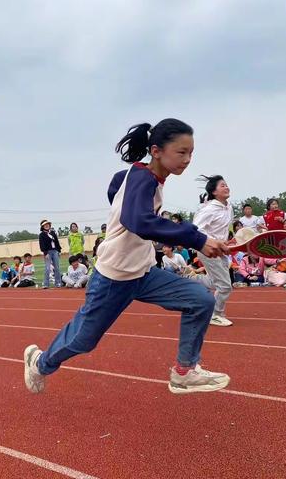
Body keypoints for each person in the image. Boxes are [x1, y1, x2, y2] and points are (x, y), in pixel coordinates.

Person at [24, 118, 230, 396]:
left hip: (143, 273)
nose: (188, 159)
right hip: (114, 277)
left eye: (191, 153)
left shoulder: (144, 178)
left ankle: (185, 371)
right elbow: (139, 221)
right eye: (181, 152)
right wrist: (198, 239)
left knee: (201, 300)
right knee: (84, 340)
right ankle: (41, 362)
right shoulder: (143, 178)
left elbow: (115, 187)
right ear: (156, 151)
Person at [193, 175, 234, 327]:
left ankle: (190, 279)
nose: (227, 187)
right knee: (225, 286)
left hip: (221, 251)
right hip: (207, 249)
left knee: (216, 281)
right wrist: (214, 241)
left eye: (227, 184)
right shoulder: (209, 209)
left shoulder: (228, 207)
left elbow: (222, 230)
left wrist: (227, 242)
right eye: (222, 185)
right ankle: (215, 314)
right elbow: (196, 229)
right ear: (214, 192)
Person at [39, 220, 62, 289]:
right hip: (48, 252)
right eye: (45, 225)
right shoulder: (42, 235)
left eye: (48, 224)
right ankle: (46, 284)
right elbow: (42, 245)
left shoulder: (52, 233)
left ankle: (58, 283)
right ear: (42, 226)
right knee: (47, 268)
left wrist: (59, 251)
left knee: (57, 268)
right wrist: (45, 253)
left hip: (55, 251)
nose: (47, 226)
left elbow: (57, 242)